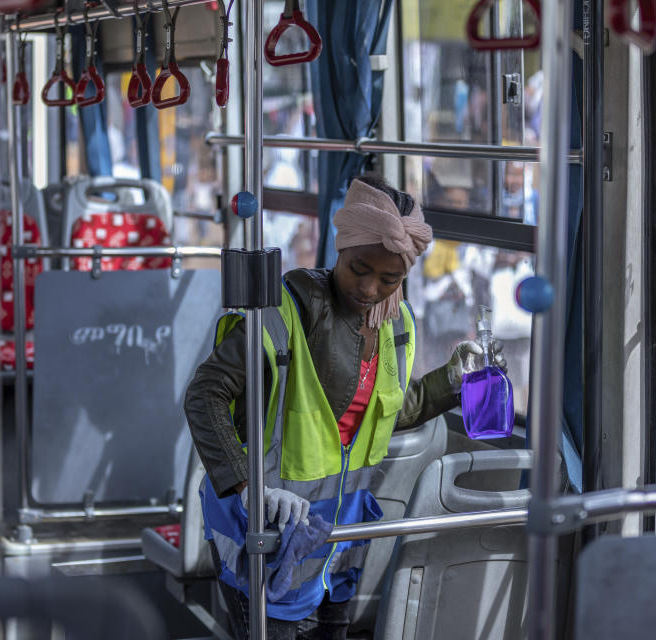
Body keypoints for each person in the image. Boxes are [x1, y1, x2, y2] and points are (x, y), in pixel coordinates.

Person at [185, 175, 503, 638]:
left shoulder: (396, 325)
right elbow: (206, 392)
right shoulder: (286, 311)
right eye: (359, 269)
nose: (371, 289)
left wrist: (453, 380)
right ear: (340, 248)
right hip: (264, 524)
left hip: (335, 538)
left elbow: (386, 411)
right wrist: (246, 485)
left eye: (389, 279)